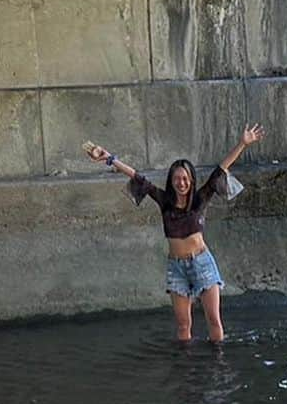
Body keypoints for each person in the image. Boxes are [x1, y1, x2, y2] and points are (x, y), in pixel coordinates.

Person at [82, 127, 265, 343]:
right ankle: (185, 368)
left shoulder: (200, 199)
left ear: (191, 181)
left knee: (214, 320)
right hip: (176, 267)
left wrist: (243, 143)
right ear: (171, 181)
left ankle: (217, 366)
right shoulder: (164, 201)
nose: (181, 183)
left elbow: (221, 168)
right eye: (177, 179)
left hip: (202, 264)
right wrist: (109, 159)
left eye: (185, 179)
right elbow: (137, 177)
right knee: (183, 325)